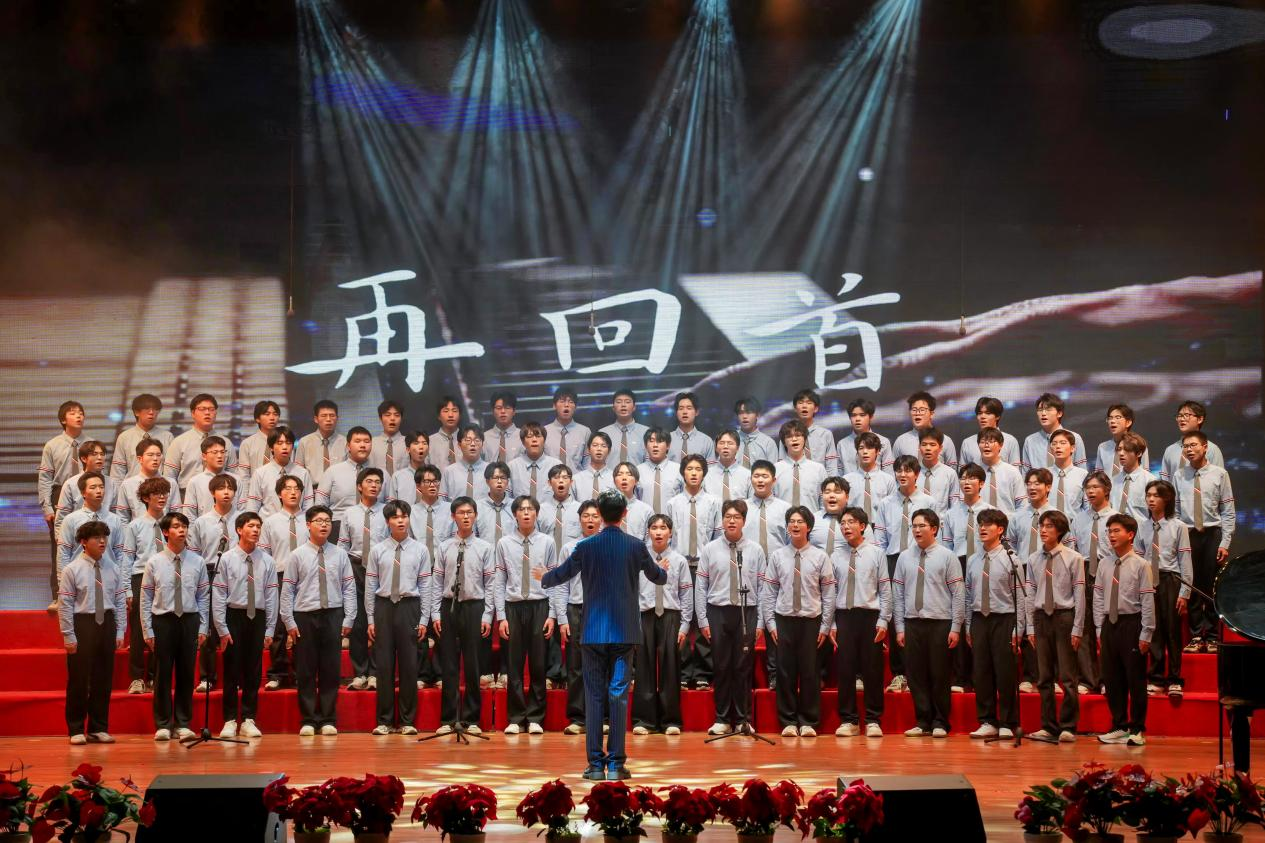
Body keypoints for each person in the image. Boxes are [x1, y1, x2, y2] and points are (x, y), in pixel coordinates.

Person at [542, 490, 668, 781]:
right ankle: (617, 765)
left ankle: (595, 765)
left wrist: (543, 578)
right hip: (625, 631)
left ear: (599, 514)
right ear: (625, 514)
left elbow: (560, 575)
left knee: (594, 695)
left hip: (593, 631)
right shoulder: (636, 546)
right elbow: (657, 577)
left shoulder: (585, 546)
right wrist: (662, 570)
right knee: (618, 695)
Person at [281, 505, 356, 736]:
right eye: (319, 521)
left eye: (327, 521)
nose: (324, 525)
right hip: (305, 615)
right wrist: (289, 621)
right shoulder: (297, 555)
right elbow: (288, 590)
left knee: (330, 669)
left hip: (333, 614)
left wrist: (349, 617)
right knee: (305, 670)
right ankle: (308, 719)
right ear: (308, 525)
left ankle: (327, 719)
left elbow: (349, 587)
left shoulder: (340, 554)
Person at [696, 500, 767, 736]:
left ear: (744, 521)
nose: (732, 521)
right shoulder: (710, 549)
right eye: (728, 516)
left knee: (743, 667)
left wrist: (760, 621)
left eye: (736, 517)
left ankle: (743, 719)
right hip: (718, 611)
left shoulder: (755, 550)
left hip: (747, 611)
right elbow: (701, 587)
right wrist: (703, 620)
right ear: (722, 520)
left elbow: (763, 588)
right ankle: (722, 718)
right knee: (722, 666)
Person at [763, 506, 834, 738]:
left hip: (811, 620)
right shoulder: (777, 556)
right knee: (785, 673)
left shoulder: (820, 557)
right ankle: (788, 721)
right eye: (791, 521)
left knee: (810, 672)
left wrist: (825, 625)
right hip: (783, 620)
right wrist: (771, 624)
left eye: (800, 521)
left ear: (809, 527)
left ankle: (808, 721)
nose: (795, 525)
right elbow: (769, 592)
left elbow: (828, 595)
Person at [892, 508, 964, 738]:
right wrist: (900, 627)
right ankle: (922, 721)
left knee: (940, 674)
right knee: (916, 675)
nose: (917, 530)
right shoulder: (904, 557)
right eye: (913, 526)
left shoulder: (948, 556)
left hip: (940, 622)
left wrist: (956, 627)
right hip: (912, 622)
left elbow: (958, 594)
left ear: (934, 529)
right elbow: (898, 594)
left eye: (921, 525)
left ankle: (940, 722)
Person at [141, 512, 210, 742]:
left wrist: (203, 627)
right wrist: (147, 629)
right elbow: (146, 598)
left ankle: (183, 723)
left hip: (189, 620)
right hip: (163, 620)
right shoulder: (154, 562)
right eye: (177, 526)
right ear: (165, 532)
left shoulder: (198, 562)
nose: (182, 530)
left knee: (186, 672)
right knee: (162, 673)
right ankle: (163, 724)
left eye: (185, 526)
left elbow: (203, 596)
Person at [494, 496, 561, 734]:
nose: (525, 513)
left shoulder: (547, 542)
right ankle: (515, 717)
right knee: (513, 665)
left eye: (530, 509)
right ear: (515, 514)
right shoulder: (504, 543)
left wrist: (552, 614)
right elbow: (499, 580)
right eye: (521, 510)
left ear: (536, 514)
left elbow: (553, 580)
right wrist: (501, 616)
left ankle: (535, 718)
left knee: (538, 664)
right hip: (513, 607)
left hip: (539, 605)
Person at [59, 520, 128, 745]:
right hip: (83, 623)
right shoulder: (72, 569)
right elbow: (65, 605)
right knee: (79, 679)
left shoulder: (113, 568)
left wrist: (120, 631)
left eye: (104, 537)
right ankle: (76, 728)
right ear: (83, 542)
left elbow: (119, 601)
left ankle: (98, 727)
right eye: (96, 538)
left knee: (103, 679)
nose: (102, 541)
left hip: (106, 623)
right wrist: (68, 634)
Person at [366, 500, 429, 736]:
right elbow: (371, 585)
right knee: (384, 666)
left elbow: (426, 585)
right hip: (384, 606)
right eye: (395, 517)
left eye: (404, 516)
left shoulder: (420, 550)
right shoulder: (377, 550)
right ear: (387, 522)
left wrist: (424, 618)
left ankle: (407, 721)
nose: (401, 520)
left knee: (409, 665)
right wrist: (370, 618)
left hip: (409, 606)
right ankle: (384, 720)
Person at [212, 512, 278, 739]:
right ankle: (230, 720)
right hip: (234, 616)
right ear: (239, 530)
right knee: (231, 670)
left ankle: (249, 719)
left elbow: (271, 596)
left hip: (257, 616)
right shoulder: (227, 559)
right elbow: (219, 594)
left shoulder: (267, 561)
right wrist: (221, 628)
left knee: (253, 670)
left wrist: (270, 628)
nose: (256, 530)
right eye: (251, 526)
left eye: (258, 526)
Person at [873, 455, 935, 692]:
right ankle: (899, 673)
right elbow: (880, 538)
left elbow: (934, 535)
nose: (902, 474)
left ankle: (918, 673)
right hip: (891, 559)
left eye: (907, 470)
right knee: (894, 612)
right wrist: (880, 563)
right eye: (898, 470)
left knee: (917, 611)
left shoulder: (928, 501)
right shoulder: (885, 503)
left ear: (916, 475)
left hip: (919, 558)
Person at [433, 496, 495, 733]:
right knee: (449, 665)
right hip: (449, 606)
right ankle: (448, 719)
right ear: (453, 517)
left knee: (473, 665)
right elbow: (437, 582)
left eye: (470, 512)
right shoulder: (444, 547)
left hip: (474, 607)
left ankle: (471, 719)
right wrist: (435, 614)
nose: (466, 516)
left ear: (475, 516)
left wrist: (487, 615)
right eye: (461, 513)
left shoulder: (485, 548)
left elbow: (490, 583)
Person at [1025, 510, 1086, 743]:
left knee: (1068, 676)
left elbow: (1079, 595)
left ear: (1060, 530)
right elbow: (1030, 594)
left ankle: (1068, 726)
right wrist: (1030, 626)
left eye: (1049, 526)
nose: (1043, 530)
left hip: (1064, 616)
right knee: (1044, 677)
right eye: (1041, 525)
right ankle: (1048, 726)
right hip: (1042, 617)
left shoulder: (1073, 558)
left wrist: (1078, 627)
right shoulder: (1033, 559)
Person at [1094, 514, 1155, 746]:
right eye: (1109, 531)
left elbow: (1147, 600)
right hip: (1110, 624)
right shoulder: (1104, 563)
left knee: (1135, 678)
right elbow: (1098, 596)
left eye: (1116, 531)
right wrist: (1099, 627)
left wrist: (1147, 632)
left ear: (1130, 535)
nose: (1111, 535)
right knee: (1112, 678)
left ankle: (1137, 728)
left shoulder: (1141, 565)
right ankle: (1119, 725)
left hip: (1132, 623)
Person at [1173, 430, 1234, 654]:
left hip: (1211, 533)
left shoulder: (1220, 474)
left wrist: (1225, 542)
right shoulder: (1179, 475)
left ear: (1205, 447)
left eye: (1193, 445)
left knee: (1211, 585)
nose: (1189, 449)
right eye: (1185, 446)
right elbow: (1175, 510)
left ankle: (1213, 636)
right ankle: (1196, 635)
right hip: (1188, 533)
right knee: (1192, 584)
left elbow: (1228, 510)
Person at [965, 508, 1023, 740]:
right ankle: (987, 720)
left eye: (988, 524)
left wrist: (1019, 628)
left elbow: (1020, 597)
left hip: (1004, 618)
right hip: (979, 618)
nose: (982, 528)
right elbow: (968, 595)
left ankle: (1008, 722)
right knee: (981, 672)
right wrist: (968, 625)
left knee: (1005, 672)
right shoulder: (972, 560)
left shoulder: (1011, 559)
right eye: (980, 524)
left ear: (1000, 530)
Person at [632, 513, 693, 736]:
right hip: (644, 615)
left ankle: (671, 720)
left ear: (670, 533)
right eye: (654, 528)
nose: (658, 532)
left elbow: (686, 593)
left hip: (670, 615)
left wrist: (685, 625)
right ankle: (644, 721)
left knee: (670, 668)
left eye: (663, 528)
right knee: (644, 668)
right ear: (648, 532)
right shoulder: (638, 559)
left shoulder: (679, 560)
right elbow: (632, 592)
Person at [831, 507, 889, 738]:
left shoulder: (877, 553)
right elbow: (831, 592)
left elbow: (885, 589)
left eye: (851, 522)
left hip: (870, 616)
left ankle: (873, 719)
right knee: (845, 670)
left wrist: (884, 620)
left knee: (872, 670)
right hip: (844, 615)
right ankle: (849, 720)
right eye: (843, 523)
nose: (846, 527)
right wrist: (832, 623)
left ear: (862, 526)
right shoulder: (835, 556)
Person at [667, 455, 720, 690]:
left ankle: (702, 673)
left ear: (704, 473)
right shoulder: (673, 503)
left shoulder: (713, 502)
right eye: (689, 469)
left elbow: (717, 536)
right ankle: (681, 671)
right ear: (683, 473)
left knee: (702, 619)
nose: (694, 473)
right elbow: (668, 537)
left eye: (698, 469)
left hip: (703, 565)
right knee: (680, 619)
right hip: (679, 566)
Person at [1138, 480, 1192, 699]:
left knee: (1172, 630)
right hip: (1149, 579)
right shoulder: (1142, 526)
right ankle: (1156, 678)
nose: (1151, 499)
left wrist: (1185, 593)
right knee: (1154, 629)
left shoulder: (1178, 526)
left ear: (1167, 499)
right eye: (1148, 495)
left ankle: (1175, 679)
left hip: (1170, 578)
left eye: (1156, 496)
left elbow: (1185, 561)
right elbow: (1138, 558)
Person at [187, 473, 240, 692]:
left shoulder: (243, 519)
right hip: (210, 572)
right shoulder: (201, 522)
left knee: (233, 626)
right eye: (221, 488)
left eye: (230, 488)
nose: (226, 492)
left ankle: (234, 677)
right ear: (212, 493)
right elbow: (194, 554)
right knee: (207, 626)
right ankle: (207, 677)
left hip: (237, 574)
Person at [338, 467, 387, 691]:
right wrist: (342, 571)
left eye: (378, 482)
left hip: (381, 567)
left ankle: (376, 673)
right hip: (355, 566)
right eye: (369, 481)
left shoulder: (387, 511)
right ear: (359, 486)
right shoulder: (349, 513)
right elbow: (343, 544)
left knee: (378, 619)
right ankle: (360, 672)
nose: (374, 485)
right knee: (357, 620)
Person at [121, 476, 171, 694]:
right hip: (141, 576)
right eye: (156, 494)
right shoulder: (135, 525)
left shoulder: (173, 522)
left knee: (161, 627)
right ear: (145, 498)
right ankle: (136, 677)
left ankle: (153, 676)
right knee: (138, 629)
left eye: (164, 493)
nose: (162, 497)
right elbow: (127, 558)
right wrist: (127, 589)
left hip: (167, 576)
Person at [560, 500, 605, 735]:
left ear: (602, 520)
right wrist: (562, 617)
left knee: (603, 664)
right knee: (576, 665)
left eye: (595, 516)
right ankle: (578, 718)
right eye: (586, 516)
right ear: (579, 520)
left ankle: (603, 718)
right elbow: (562, 585)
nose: (590, 520)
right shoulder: (570, 548)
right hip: (576, 609)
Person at [259, 475, 307, 691]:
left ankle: (301, 672)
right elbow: (265, 555)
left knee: (302, 626)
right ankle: (278, 673)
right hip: (279, 575)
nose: (293, 492)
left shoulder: (310, 519)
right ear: (279, 494)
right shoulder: (270, 522)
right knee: (279, 627)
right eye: (287, 488)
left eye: (297, 488)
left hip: (305, 577)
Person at [1070, 471, 1116, 694]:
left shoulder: (1116, 518)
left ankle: (1110, 678)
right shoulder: (1079, 518)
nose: (1090, 491)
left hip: (1108, 570)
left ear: (1106, 490)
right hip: (1084, 569)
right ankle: (1088, 680)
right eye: (1087, 488)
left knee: (1108, 626)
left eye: (1095, 487)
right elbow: (1073, 549)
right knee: (1084, 624)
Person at [40, 400, 85, 607]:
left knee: (87, 544)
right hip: (60, 495)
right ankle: (59, 595)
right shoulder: (52, 445)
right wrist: (47, 508)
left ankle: (85, 594)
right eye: (73, 413)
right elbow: (45, 478)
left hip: (85, 494)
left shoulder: (90, 445)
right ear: (63, 420)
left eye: (81, 413)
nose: (79, 416)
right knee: (60, 546)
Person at [541, 465, 581, 687]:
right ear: (550, 483)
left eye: (565, 477)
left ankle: (569, 673)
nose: (561, 481)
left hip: (571, 570)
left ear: (571, 482)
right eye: (556, 478)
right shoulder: (541, 509)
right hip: (548, 570)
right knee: (552, 617)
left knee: (571, 621)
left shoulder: (580, 509)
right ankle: (553, 671)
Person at [165, 394, 238, 496]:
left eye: (211, 409)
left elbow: (233, 476)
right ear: (193, 413)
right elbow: (169, 478)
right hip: (186, 496)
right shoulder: (179, 442)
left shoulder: (227, 443)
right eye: (202, 409)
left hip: (220, 496)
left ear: (216, 413)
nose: (207, 412)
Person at [57, 471, 124, 580]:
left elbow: (120, 554)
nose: (99, 491)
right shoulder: (70, 520)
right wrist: (63, 582)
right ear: (83, 493)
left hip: (109, 576)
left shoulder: (115, 520)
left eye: (101, 487)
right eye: (93, 487)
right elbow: (63, 554)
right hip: (79, 577)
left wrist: (120, 581)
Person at [246, 426, 312, 517]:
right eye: (279, 443)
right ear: (271, 447)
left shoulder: (303, 473)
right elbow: (252, 506)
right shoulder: (260, 473)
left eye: (288, 443)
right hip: (267, 522)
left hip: (296, 522)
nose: (284, 447)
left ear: (293, 446)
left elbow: (308, 506)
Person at [115, 438, 182, 525]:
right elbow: (122, 518)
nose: (155, 458)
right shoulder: (128, 485)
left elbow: (176, 514)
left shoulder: (171, 483)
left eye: (158, 455)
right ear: (140, 459)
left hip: (164, 531)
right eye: (150, 455)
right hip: (137, 532)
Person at [55, 441, 116, 536]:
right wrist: (62, 541)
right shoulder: (71, 484)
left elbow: (116, 514)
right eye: (94, 454)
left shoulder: (112, 483)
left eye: (102, 454)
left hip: (106, 537)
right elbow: (61, 519)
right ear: (84, 458)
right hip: (78, 537)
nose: (100, 457)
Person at [318, 426, 374, 526]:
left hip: (372, 524)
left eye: (366, 441)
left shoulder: (382, 474)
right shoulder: (332, 472)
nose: (362, 445)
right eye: (357, 441)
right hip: (338, 524)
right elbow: (320, 504)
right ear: (348, 446)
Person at [1159, 400, 1225, 482]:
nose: (1181, 419)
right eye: (1179, 416)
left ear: (1200, 419)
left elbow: (1219, 480)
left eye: (1187, 415)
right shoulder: (1170, 450)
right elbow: (1164, 483)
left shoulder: (1212, 449)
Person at [109, 393, 171, 481]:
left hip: (159, 486)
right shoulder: (124, 437)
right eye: (147, 409)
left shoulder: (167, 437)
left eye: (155, 409)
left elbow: (169, 470)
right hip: (132, 487)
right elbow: (118, 470)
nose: (151, 412)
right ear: (136, 412)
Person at [1021, 393, 1087, 471]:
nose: (1043, 413)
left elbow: (1082, 471)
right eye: (1040, 410)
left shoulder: (1075, 438)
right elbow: (1026, 473)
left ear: (1059, 413)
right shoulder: (1030, 441)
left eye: (1048, 410)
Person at [892, 391, 958, 469]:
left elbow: (952, 471)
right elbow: (894, 470)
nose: (917, 413)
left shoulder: (945, 441)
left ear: (932, 414)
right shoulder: (901, 441)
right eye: (914, 410)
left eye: (922, 410)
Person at [842, 432, 897, 523]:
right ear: (857, 452)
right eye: (861, 448)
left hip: (880, 526)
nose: (865, 452)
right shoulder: (846, 480)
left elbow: (892, 509)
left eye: (869, 448)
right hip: (854, 526)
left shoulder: (888, 480)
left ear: (877, 451)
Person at [775, 420, 827, 511]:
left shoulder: (818, 469)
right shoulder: (775, 469)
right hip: (783, 519)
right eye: (789, 436)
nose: (794, 439)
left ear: (805, 439)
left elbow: (824, 500)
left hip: (812, 519)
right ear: (784, 442)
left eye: (798, 435)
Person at [783, 388, 839, 473]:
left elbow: (832, 467)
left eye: (809, 403)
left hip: (820, 479)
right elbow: (782, 464)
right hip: (795, 478)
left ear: (816, 408)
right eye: (800, 403)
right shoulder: (786, 434)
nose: (804, 406)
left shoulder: (826, 434)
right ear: (795, 408)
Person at [183, 436, 241, 517]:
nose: (220, 456)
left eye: (222, 452)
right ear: (204, 456)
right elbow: (189, 514)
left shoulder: (236, 480)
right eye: (215, 452)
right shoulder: (195, 482)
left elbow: (242, 510)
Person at [959, 397, 1022, 469]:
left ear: (997, 416)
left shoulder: (1010, 441)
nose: (982, 416)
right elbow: (962, 473)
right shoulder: (967, 443)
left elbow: (1015, 471)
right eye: (980, 413)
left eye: (988, 413)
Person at [295, 399, 346, 488]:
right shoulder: (304, 442)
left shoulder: (346, 442)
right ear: (316, 419)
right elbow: (298, 472)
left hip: (339, 489)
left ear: (337, 418)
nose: (328, 419)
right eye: (324, 416)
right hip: (312, 490)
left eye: (332, 415)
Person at [972, 428, 1024, 514]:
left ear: (1001, 445)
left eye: (991, 441)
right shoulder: (972, 473)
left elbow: (1022, 505)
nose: (986, 445)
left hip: (1007, 521)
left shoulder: (1012, 472)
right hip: (979, 521)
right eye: (983, 442)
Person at [837, 399, 894, 475]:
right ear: (850, 418)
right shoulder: (842, 444)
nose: (857, 419)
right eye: (853, 415)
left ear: (871, 417)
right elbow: (839, 475)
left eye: (862, 415)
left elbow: (889, 474)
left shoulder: (883, 442)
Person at [509, 422, 561, 501]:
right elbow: (507, 498)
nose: (534, 440)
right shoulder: (512, 466)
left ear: (544, 440)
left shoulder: (556, 465)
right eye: (529, 437)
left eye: (538, 436)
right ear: (523, 442)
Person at [1096, 404, 1149, 478]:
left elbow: (1145, 475)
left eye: (1118, 417)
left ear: (1128, 422)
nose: (1112, 421)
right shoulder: (1102, 447)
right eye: (1110, 418)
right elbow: (1098, 477)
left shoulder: (1138, 445)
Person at [915, 428, 959, 516]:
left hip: (940, 523)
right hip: (915, 523)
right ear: (919, 447)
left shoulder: (950, 474)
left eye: (932, 445)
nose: (928, 448)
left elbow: (955, 506)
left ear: (940, 448)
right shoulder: (912, 472)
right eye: (924, 444)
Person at [1111, 432, 1154, 521]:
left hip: (1141, 528)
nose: (1121, 453)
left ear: (1139, 453)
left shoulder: (1150, 481)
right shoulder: (1113, 481)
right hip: (1116, 527)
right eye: (1119, 449)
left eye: (1127, 449)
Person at [638, 428, 682, 514]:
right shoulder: (637, 471)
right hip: (644, 520)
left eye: (660, 441)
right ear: (645, 446)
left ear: (668, 445)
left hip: (672, 520)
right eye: (651, 441)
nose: (655, 445)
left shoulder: (679, 470)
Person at [599, 389, 648, 467]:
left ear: (634, 407)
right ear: (613, 408)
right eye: (619, 402)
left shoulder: (646, 432)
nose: (623, 405)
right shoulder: (602, 434)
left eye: (627, 402)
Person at [237, 400, 282, 485]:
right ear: (257, 419)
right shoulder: (247, 444)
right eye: (267, 414)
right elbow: (244, 475)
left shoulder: (285, 443)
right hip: (255, 490)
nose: (272, 418)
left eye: (275, 414)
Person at [545, 387, 591, 469]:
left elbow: (587, 463)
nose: (566, 405)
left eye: (571, 402)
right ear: (554, 406)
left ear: (575, 407)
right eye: (562, 401)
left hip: (577, 477)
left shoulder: (585, 432)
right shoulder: (544, 431)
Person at [442, 425, 489, 502]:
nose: (473, 444)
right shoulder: (449, 472)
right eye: (468, 440)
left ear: (482, 444)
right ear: (459, 445)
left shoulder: (491, 470)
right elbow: (442, 502)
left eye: (477, 440)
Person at [1048, 429, 1088, 517]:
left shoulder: (1083, 475)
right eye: (1054, 444)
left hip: (1074, 523)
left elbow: (1088, 507)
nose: (1058, 446)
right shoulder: (1044, 474)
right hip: (1048, 523)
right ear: (1050, 449)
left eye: (1063, 443)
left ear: (1072, 448)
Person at [705, 430, 751, 503]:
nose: (725, 446)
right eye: (722, 443)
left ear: (737, 448)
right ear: (716, 448)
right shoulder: (706, 475)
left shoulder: (747, 475)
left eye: (730, 443)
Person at [733, 397, 779, 468]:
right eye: (741, 413)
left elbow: (773, 470)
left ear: (757, 415)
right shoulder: (729, 440)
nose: (744, 416)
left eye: (749, 412)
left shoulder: (768, 443)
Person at [668, 392, 714, 463]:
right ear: (676, 412)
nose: (685, 412)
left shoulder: (706, 441)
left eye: (689, 408)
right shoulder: (666, 440)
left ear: (697, 412)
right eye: (681, 408)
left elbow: (711, 468)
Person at [613, 462, 653, 541]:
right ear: (614, 481)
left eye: (629, 474)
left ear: (636, 481)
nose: (624, 478)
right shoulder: (605, 509)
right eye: (620, 474)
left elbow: (649, 541)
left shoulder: (646, 510)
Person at [483, 391, 524, 465]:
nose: (503, 411)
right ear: (492, 411)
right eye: (499, 408)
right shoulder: (483, 438)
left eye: (507, 408)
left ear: (514, 411)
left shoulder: (523, 436)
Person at [572, 432, 615, 502]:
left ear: (609, 451)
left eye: (603, 446)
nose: (599, 449)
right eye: (595, 445)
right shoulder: (576, 479)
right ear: (588, 449)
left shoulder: (615, 479)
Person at [370, 399, 409, 476]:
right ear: (380, 418)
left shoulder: (410, 443)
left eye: (396, 415)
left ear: (401, 418)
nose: (392, 418)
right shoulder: (371, 443)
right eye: (387, 415)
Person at [389, 431, 430, 503]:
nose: (421, 447)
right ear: (408, 449)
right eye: (416, 443)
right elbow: (393, 505)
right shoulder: (398, 477)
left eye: (424, 443)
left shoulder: (434, 476)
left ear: (428, 449)